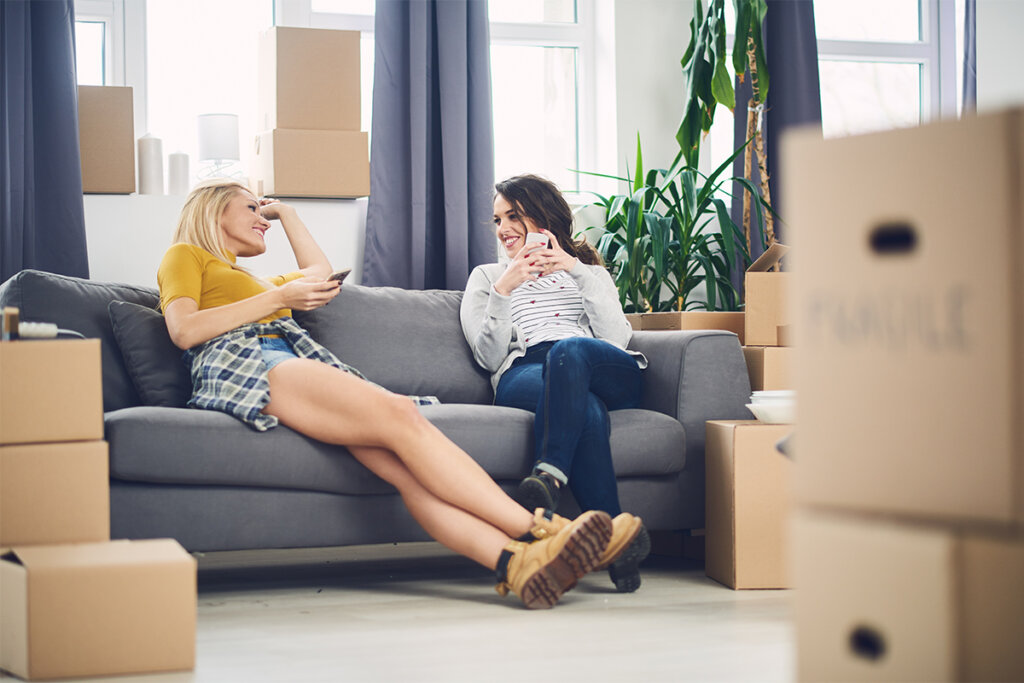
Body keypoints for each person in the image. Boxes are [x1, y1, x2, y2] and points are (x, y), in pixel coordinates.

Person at [157, 179, 615, 610]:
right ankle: (546, 529)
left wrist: (289, 214)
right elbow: (183, 330)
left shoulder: (254, 280)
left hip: (282, 356)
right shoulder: (186, 255)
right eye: (253, 209)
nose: (263, 220)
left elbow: (317, 273)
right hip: (250, 357)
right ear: (215, 211)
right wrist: (279, 299)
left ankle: (517, 565)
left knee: (404, 474)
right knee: (402, 416)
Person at [460, 174, 651, 592]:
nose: (503, 228)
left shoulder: (586, 270)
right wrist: (504, 289)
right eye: (497, 220)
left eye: (514, 215)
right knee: (586, 410)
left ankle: (547, 477)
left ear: (544, 216)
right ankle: (619, 542)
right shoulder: (488, 276)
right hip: (527, 371)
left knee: (571, 351)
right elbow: (488, 357)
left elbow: (616, 340)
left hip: (595, 363)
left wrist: (576, 271)